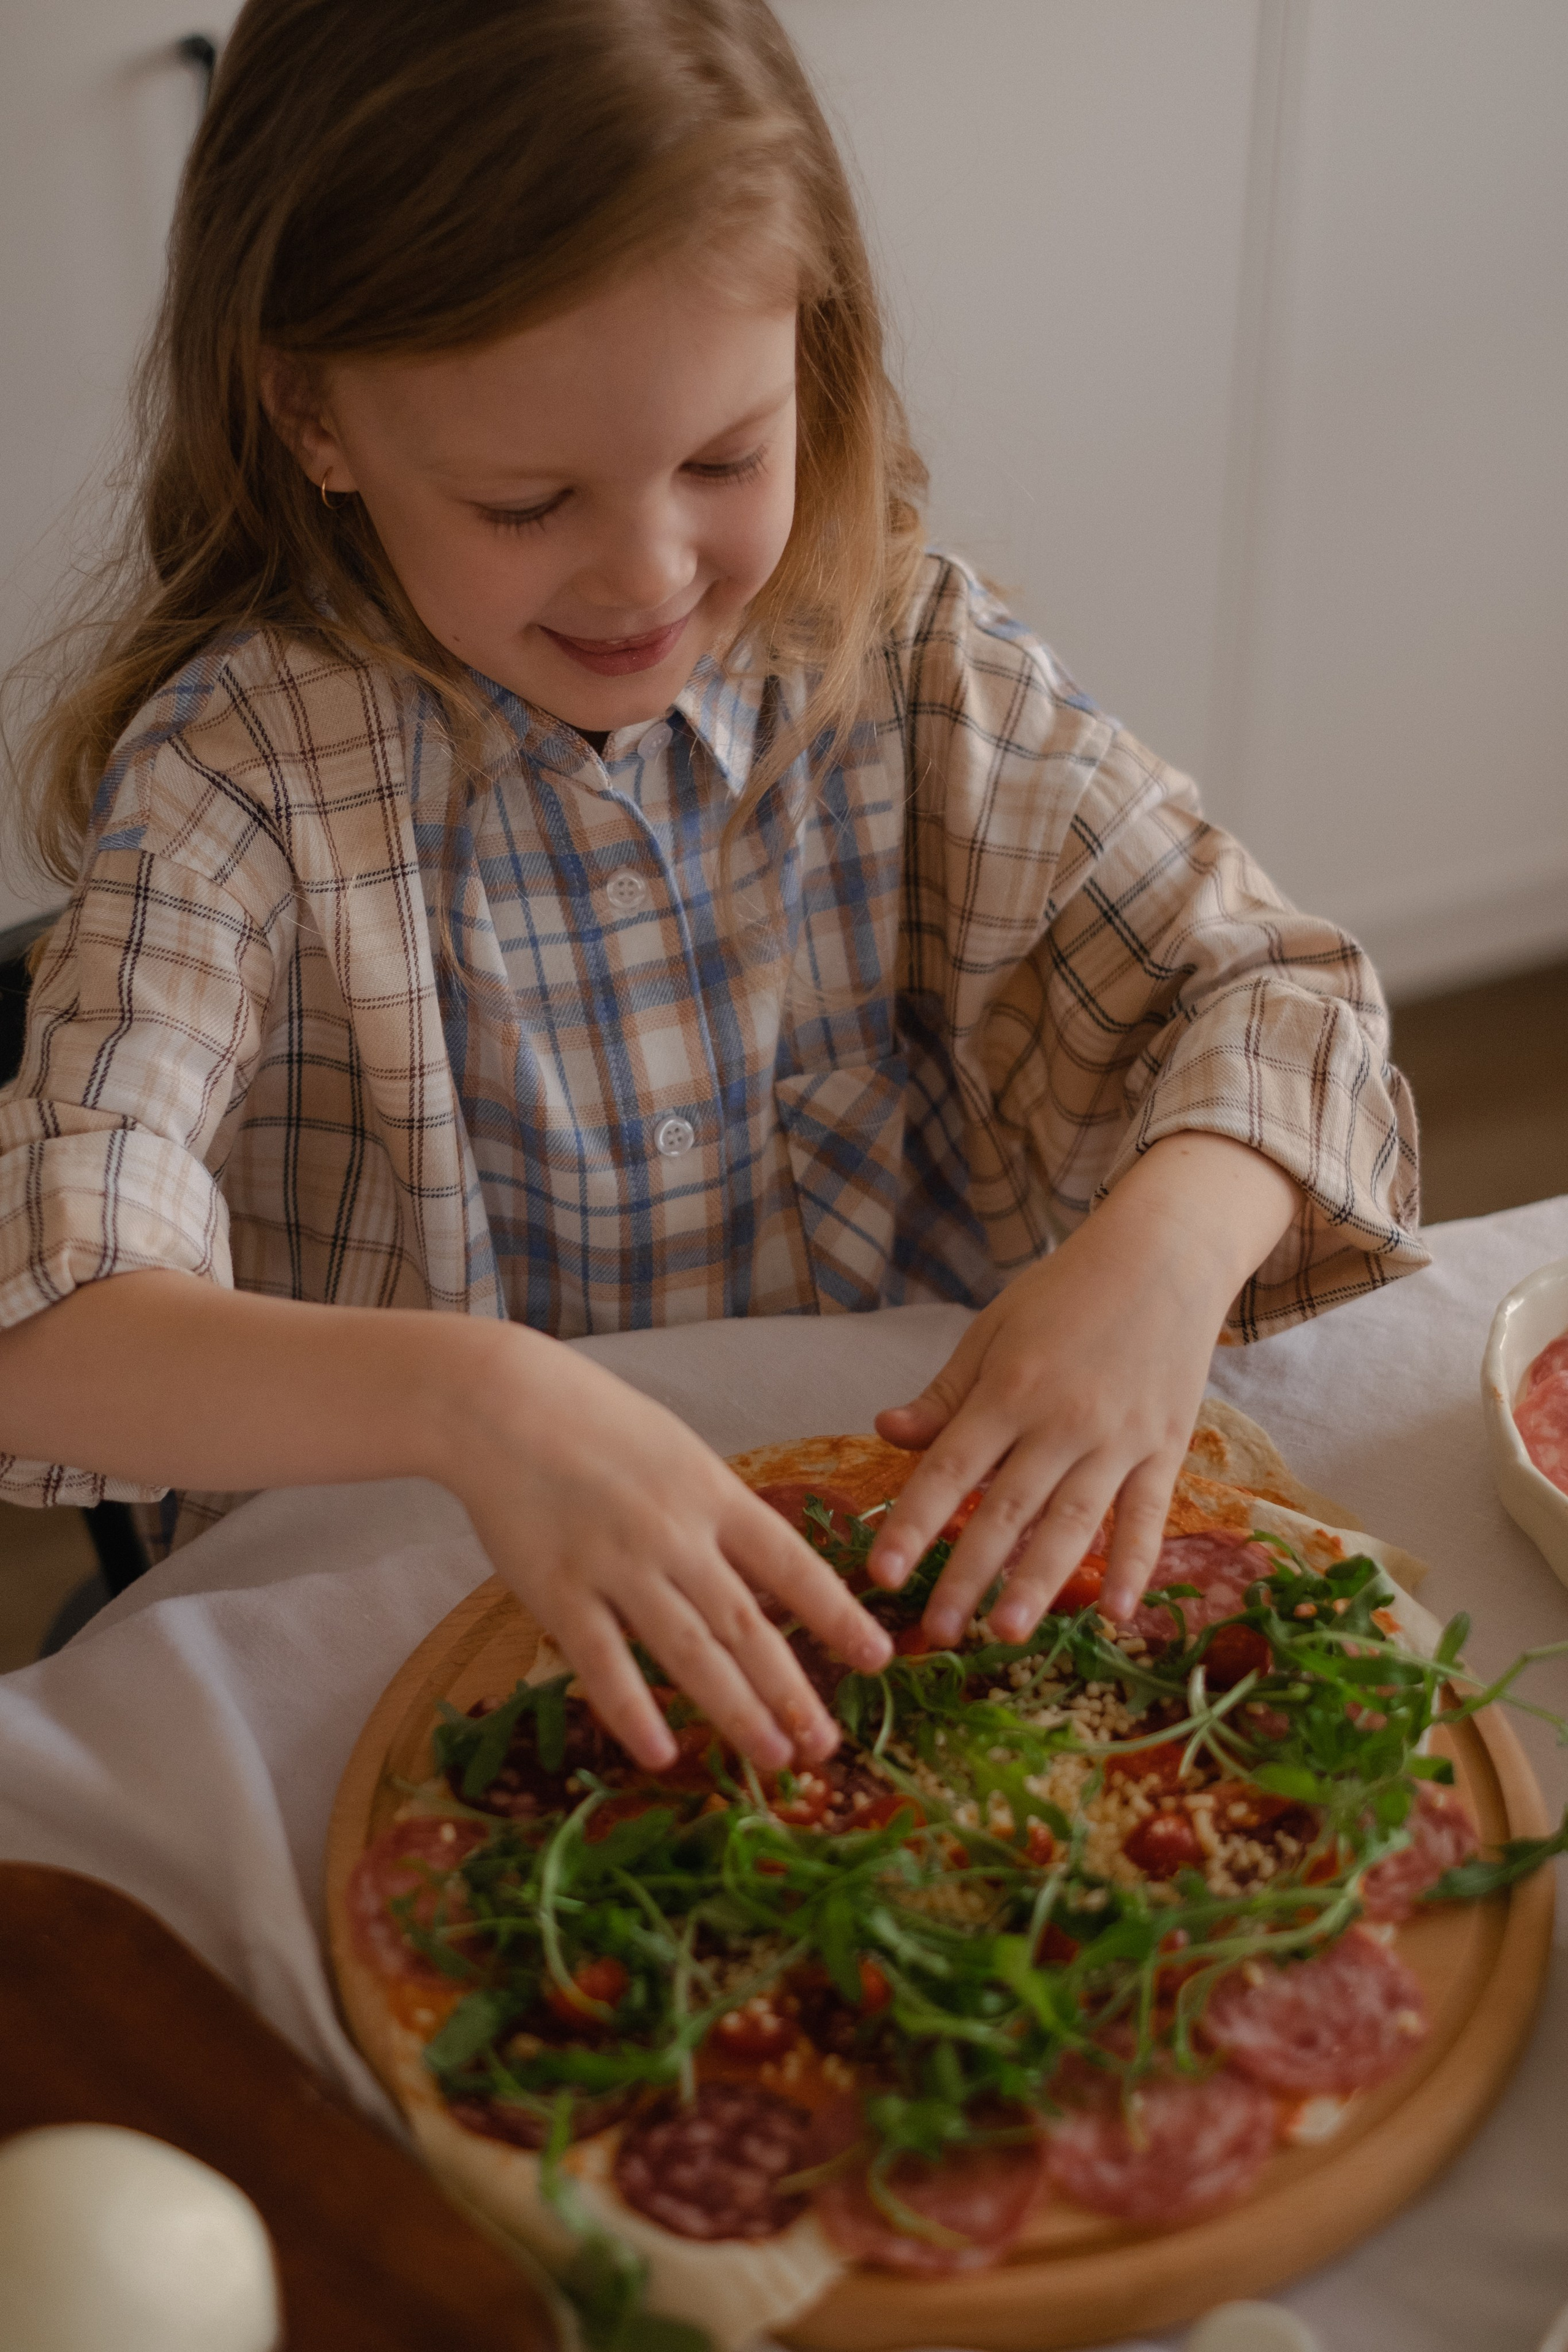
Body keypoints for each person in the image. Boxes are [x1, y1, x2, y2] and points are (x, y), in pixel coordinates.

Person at [0, 0, 1422, 1773]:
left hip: (893, 1627)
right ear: (312, 417)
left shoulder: (899, 657)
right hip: (420, 1659)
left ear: (809, 355)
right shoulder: (245, 787)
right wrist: (479, 1399)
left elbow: (1283, 1000)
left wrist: (1162, 1251)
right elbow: (38, 1324)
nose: (650, 571)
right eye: (530, 502)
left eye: (726, 461)